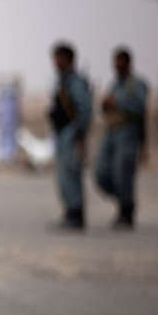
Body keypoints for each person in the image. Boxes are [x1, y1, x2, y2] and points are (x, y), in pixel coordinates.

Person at [95, 47, 148, 228]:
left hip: (128, 133)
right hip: (111, 131)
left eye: (120, 61)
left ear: (128, 63)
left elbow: (140, 108)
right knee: (101, 172)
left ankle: (126, 211)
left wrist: (117, 101)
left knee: (123, 173)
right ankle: (124, 201)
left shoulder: (137, 84)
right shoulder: (114, 84)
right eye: (115, 61)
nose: (117, 65)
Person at [48, 42, 92, 230]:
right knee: (64, 175)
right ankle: (70, 212)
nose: (56, 62)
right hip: (62, 133)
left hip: (71, 133)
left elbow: (84, 110)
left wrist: (79, 134)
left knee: (71, 173)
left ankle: (76, 214)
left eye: (59, 58)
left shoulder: (75, 82)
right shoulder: (62, 81)